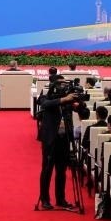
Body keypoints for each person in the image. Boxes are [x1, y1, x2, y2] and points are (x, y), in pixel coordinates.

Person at [36, 77, 80, 210]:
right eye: (60, 84)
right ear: (53, 85)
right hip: (50, 139)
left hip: (64, 138)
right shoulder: (46, 95)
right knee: (47, 170)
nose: (63, 87)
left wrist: (77, 104)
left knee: (61, 170)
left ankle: (60, 199)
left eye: (64, 85)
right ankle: (45, 199)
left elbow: (82, 111)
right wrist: (63, 100)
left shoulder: (68, 98)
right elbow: (45, 104)